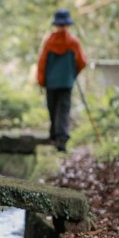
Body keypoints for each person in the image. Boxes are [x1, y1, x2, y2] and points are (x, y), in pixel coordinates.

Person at [37, 9, 87, 152]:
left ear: (56, 25)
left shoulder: (49, 42)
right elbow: (82, 62)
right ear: (68, 25)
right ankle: (61, 139)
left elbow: (42, 63)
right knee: (63, 110)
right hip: (66, 83)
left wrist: (41, 80)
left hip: (51, 83)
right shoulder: (73, 42)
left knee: (53, 109)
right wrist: (72, 73)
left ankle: (54, 136)